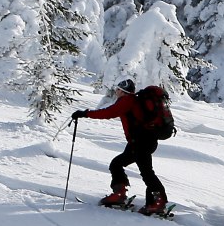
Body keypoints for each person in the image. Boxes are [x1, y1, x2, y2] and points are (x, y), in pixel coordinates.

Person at [71, 79, 167, 215]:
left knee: (145, 172)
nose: (116, 92)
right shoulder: (133, 100)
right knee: (119, 164)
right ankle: (129, 196)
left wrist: (85, 114)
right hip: (142, 141)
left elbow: (108, 113)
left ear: (123, 91)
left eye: (118, 89)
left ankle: (156, 202)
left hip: (141, 142)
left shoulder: (127, 101)